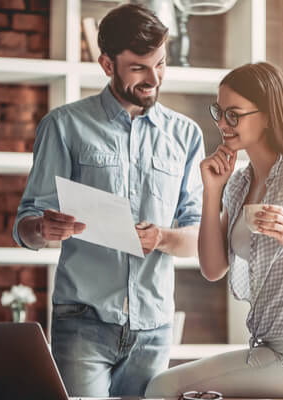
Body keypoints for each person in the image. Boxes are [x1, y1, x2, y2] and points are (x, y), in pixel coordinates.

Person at [12, 4, 205, 398]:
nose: (154, 79)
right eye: (138, 68)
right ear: (106, 64)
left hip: (154, 327)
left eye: (161, 64)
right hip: (83, 321)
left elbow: (199, 236)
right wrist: (41, 228)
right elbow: (24, 227)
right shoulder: (64, 126)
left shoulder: (186, 136)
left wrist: (161, 238)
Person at [145, 62, 283, 399]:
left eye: (233, 114)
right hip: (269, 348)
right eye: (219, 112)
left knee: (164, 386)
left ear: (267, 115)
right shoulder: (239, 183)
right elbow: (212, 268)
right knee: (169, 385)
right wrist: (212, 191)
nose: (222, 123)